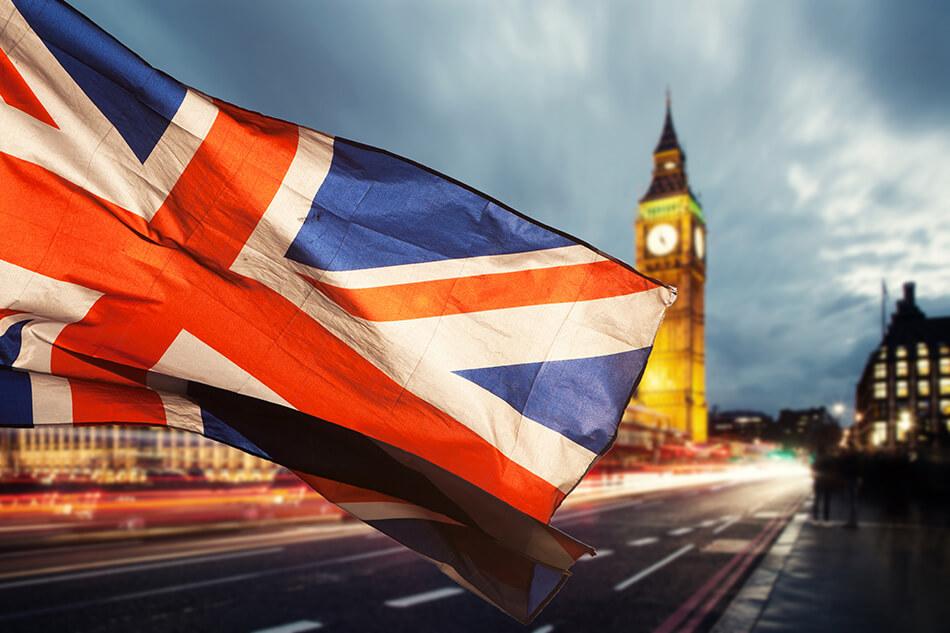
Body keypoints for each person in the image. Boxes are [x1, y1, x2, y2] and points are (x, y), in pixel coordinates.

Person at [812, 450, 833, 521]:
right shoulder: (829, 459)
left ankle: (815, 516)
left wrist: (814, 476)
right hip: (828, 481)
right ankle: (826, 516)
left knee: (817, 498)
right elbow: (833, 469)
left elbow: (813, 468)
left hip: (819, 480)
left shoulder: (817, 460)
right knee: (827, 500)